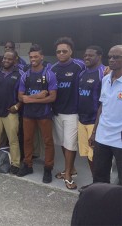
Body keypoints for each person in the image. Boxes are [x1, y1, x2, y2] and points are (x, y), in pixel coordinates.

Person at [17, 44, 57, 183]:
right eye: (31, 57)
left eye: (35, 56)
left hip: (44, 113)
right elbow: (21, 97)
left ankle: (48, 168)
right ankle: (28, 165)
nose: (33, 59)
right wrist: (39, 96)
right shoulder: (25, 75)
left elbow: (52, 97)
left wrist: (31, 99)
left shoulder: (48, 74)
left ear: (41, 57)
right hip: (28, 114)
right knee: (27, 140)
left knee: (48, 141)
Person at [50, 37, 85, 190]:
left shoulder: (80, 65)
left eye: (65, 51)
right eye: (58, 51)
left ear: (71, 51)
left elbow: (97, 69)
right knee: (63, 144)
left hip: (73, 113)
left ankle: (68, 175)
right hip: (57, 112)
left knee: (70, 145)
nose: (61, 54)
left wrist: (107, 69)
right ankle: (71, 169)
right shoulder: (53, 68)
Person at [89, 45, 122, 185]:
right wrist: (94, 132)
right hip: (102, 137)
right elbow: (102, 106)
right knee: (99, 176)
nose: (112, 60)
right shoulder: (105, 79)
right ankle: (101, 203)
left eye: (116, 57)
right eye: (110, 57)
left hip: (120, 139)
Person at [78, 45, 105, 175]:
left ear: (99, 57)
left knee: (96, 156)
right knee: (87, 154)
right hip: (81, 120)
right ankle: (95, 183)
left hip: (95, 121)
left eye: (90, 55)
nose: (87, 57)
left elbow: (104, 103)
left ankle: (100, 185)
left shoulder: (104, 73)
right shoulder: (82, 73)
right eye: (85, 55)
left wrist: (95, 129)